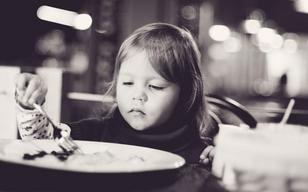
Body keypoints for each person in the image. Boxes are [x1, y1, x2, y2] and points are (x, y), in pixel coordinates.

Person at [14, 23, 217, 165]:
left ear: (186, 94)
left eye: (155, 86)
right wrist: (31, 104)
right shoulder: (93, 136)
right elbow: (42, 143)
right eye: (128, 83)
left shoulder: (202, 155)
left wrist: (223, 162)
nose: (138, 96)